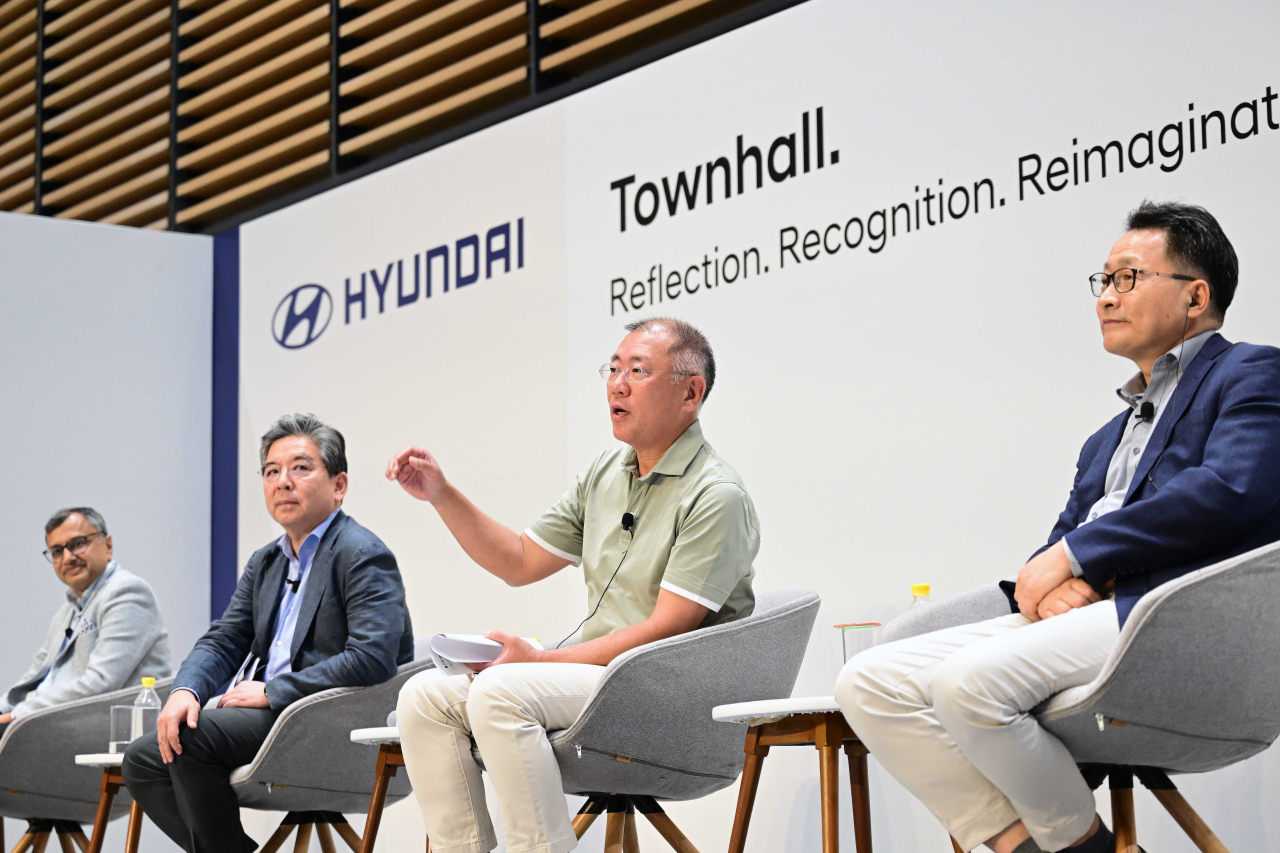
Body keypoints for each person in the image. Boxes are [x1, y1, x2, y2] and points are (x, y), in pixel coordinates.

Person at [836, 201, 1280, 853]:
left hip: (1164, 612)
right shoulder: (1105, 438)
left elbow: (1228, 491)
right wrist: (1049, 581)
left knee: (969, 684)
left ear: (1196, 296)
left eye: (1127, 277)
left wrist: (1075, 556)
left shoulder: (1249, 372)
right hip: (1084, 612)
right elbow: (1058, 538)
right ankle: (1053, 845)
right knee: (867, 682)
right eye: (1102, 280)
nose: (1106, 296)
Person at [389, 317, 759, 853]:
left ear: (690, 393)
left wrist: (537, 664)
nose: (617, 383)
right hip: (595, 678)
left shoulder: (715, 494)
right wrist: (440, 493)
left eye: (638, 370)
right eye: (612, 368)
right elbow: (519, 560)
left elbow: (666, 629)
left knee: (498, 692)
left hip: (668, 690)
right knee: (424, 696)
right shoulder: (606, 472)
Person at [122, 414, 414, 853]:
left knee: (190, 739)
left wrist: (275, 690)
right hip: (273, 718)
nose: (283, 482)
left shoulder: (361, 553)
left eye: (300, 467)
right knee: (144, 759)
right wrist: (186, 690)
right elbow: (224, 639)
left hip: (329, 721)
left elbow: (373, 657)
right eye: (271, 471)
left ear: (339, 485)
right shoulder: (267, 562)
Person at [0, 507, 171, 730]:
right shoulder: (69, 609)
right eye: (57, 551)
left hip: (100, 727)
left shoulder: (128, 592)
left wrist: (17, 716)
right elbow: (37, 673)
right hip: (49, 722)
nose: (68, 558)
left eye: (78, 543)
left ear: (108, 546)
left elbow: (100, 683)